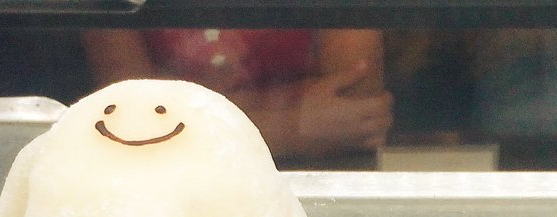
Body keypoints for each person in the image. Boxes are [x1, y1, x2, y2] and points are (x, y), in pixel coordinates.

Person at [82, 27, 393, 163]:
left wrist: (190, 114)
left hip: (318, 186)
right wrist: (288, 126)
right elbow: (128, 127)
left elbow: (356, 114)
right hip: (167, 193)